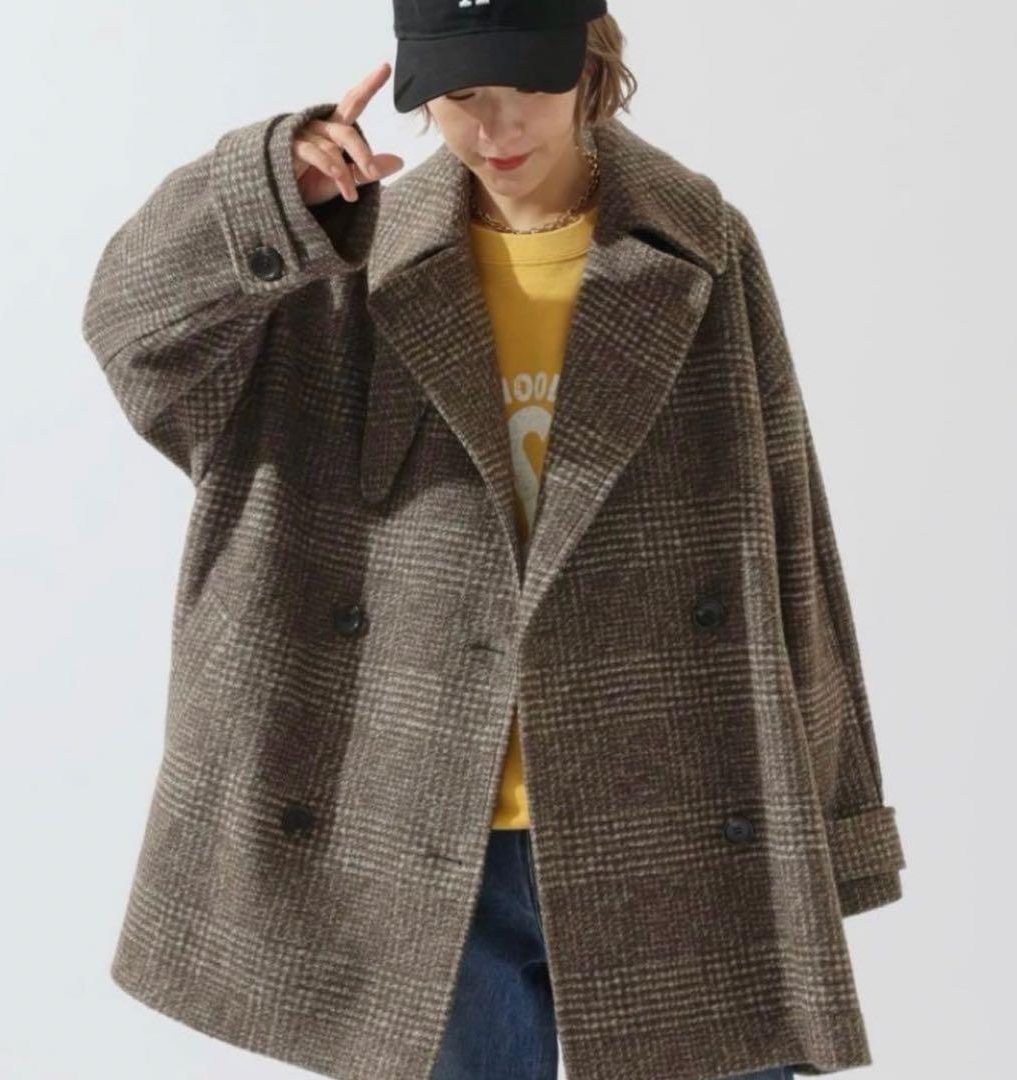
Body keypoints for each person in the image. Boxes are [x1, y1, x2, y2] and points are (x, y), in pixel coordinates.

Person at [80, 1, 904, 1078]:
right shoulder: (339, 260)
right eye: (461, 95)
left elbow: (788, 526)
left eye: (531, 86)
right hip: (417, 828)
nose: (497, 127)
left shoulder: (697, 244)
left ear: (592, 66)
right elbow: (129, 330)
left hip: (672, 814)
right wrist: (268, 189)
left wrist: (838, 818)